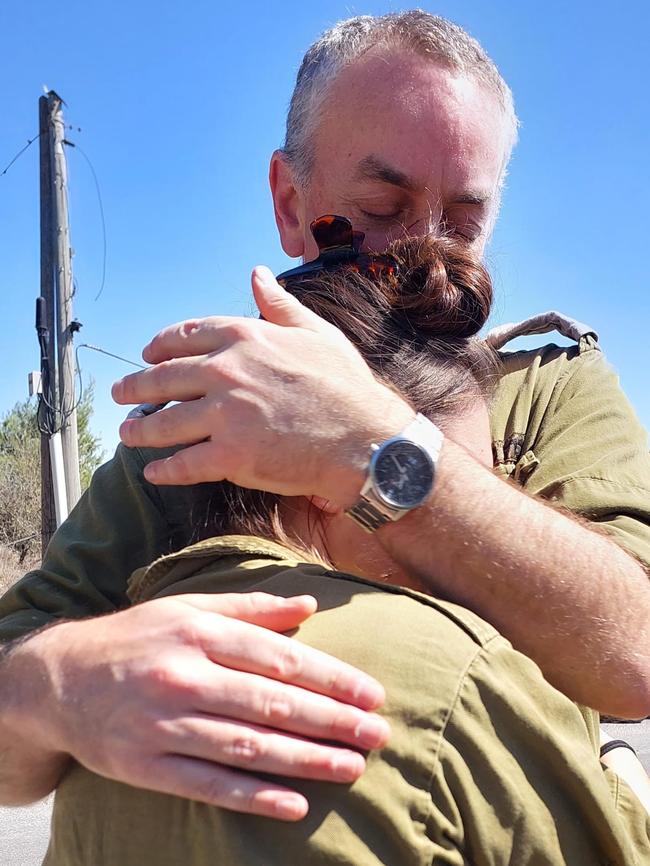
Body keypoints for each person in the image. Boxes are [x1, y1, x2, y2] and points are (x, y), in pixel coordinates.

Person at [1, 10, 650, 818]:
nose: (426, 251)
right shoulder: (207, 417)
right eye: (382, 206)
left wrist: (377, 451)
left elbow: (638, 655)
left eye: (465, 224)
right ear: (290, 201)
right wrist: (60, 684)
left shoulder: (551, 390)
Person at [42, 233, 650, 865]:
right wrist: (622, 784)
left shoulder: (105, 704)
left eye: (466, 214)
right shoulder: (460, 678)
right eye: (383, 205)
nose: (427, 231)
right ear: (326, 473)